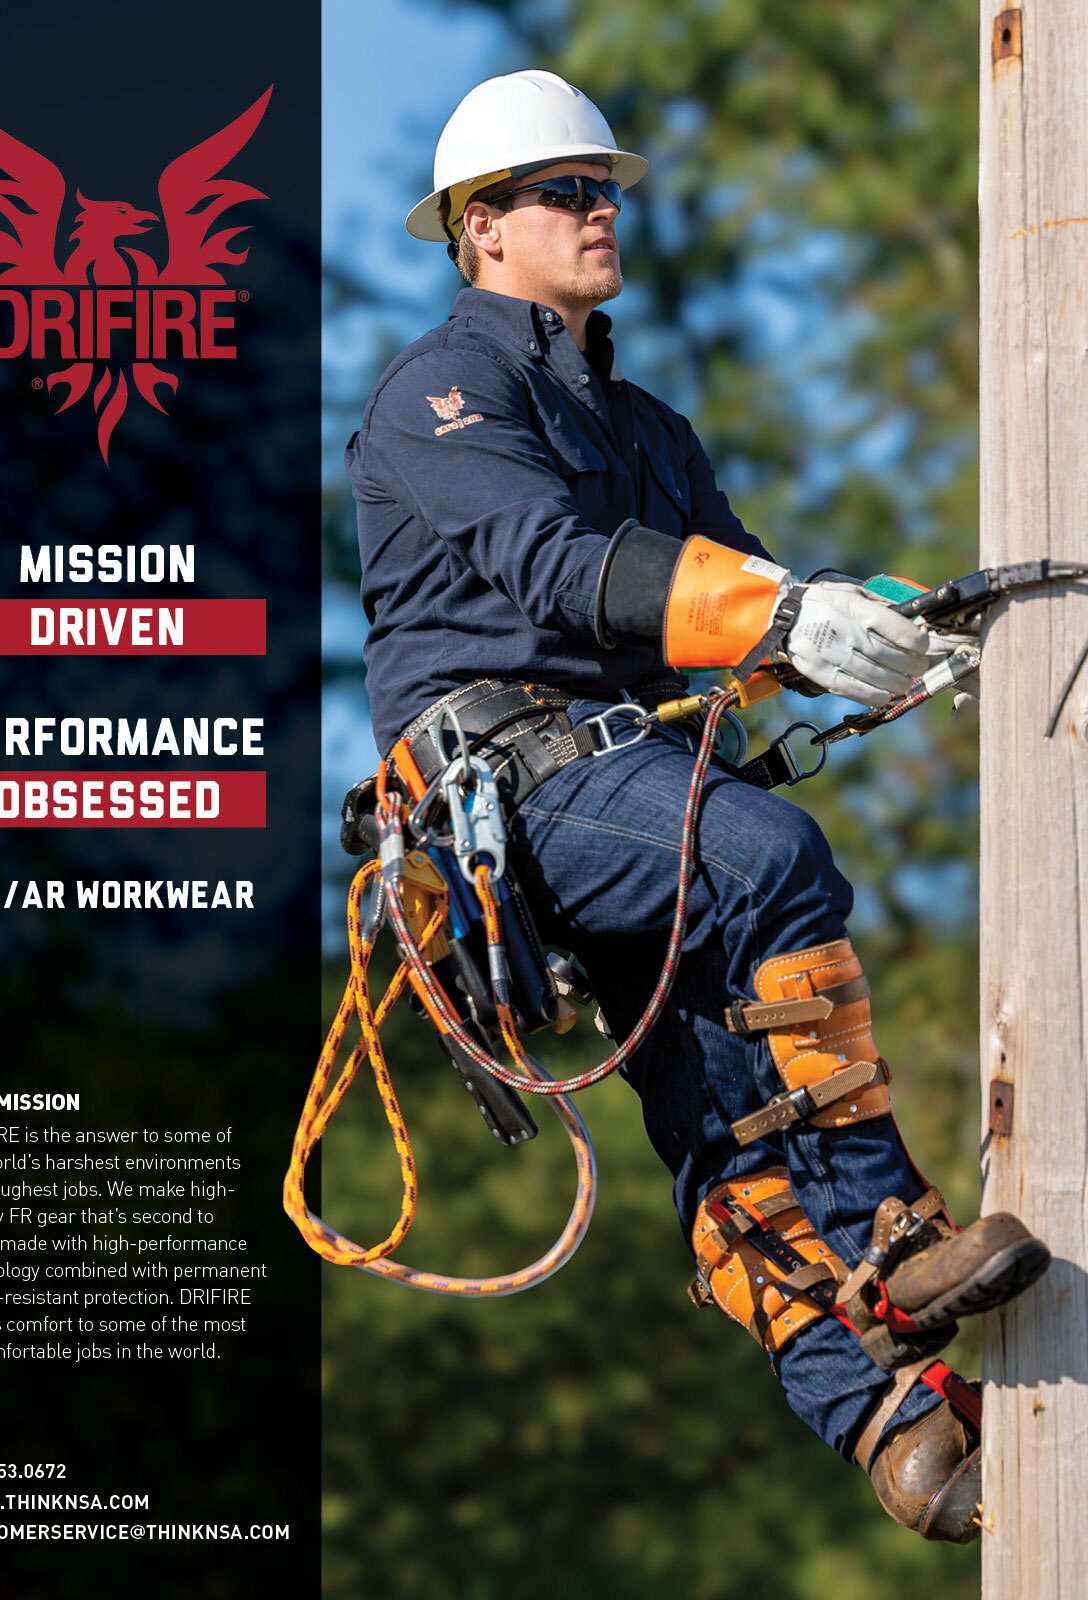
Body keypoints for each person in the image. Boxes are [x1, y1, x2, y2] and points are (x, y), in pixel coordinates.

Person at [345, 69, 1049, 1542]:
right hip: (514, 800)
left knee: (722, 1111)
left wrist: (908, 630)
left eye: (608, 187)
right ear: (481, 228)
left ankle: (887, 1423)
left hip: (635, 783)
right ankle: (889, 1225)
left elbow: (749, 591)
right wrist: (785, 616)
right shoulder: (441, 393)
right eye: (567, 191)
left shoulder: (650, 426)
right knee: (768, 854)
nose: (603, 210)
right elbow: (556, 564)